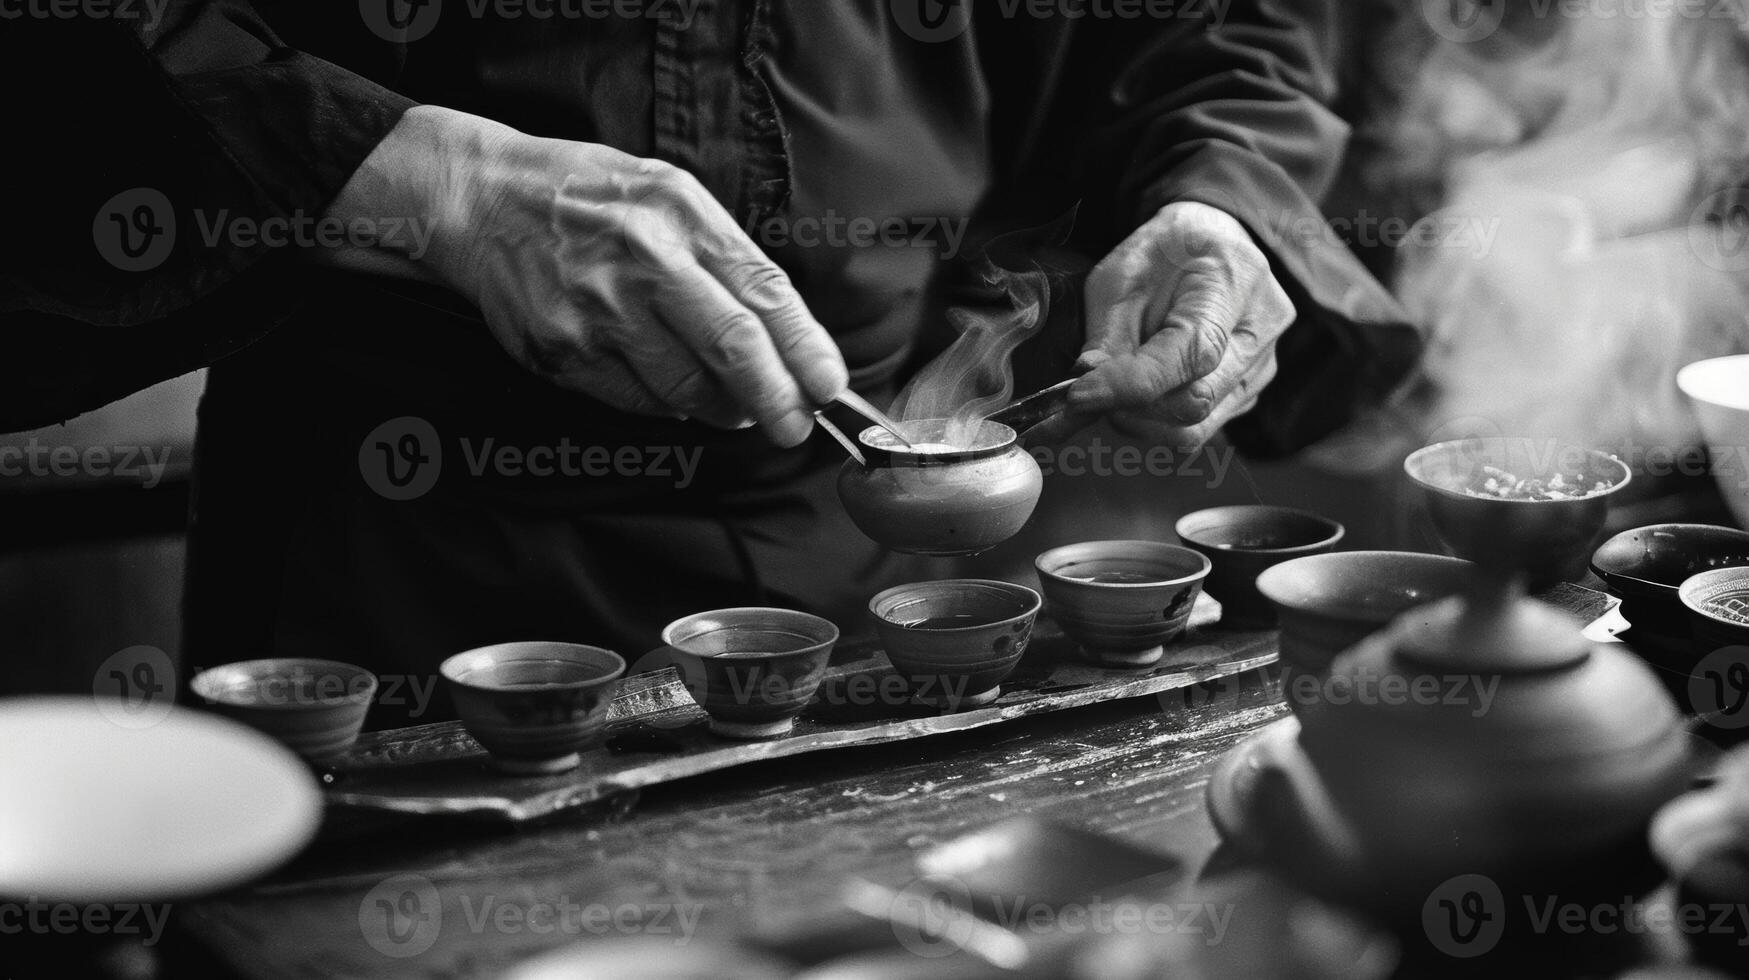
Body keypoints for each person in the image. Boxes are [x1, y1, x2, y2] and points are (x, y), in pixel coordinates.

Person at [2, 1, 1418, 725]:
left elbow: (1207, 32)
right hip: (390, 568)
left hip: (883, 593)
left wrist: (1216, 194)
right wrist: (411, 171)